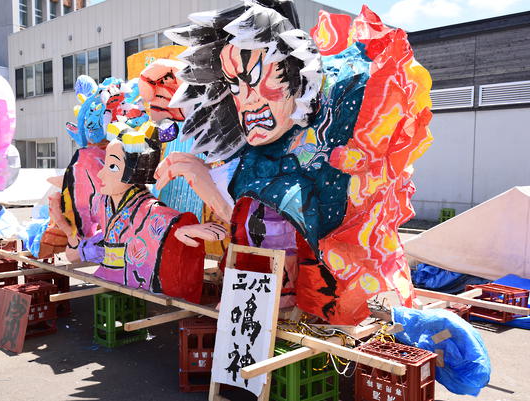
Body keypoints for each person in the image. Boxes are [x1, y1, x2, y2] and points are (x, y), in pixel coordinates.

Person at [142, 1, 433, 324]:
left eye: (255, 76)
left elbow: (317, 223)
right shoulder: (253, 156)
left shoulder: (332, 126)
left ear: (295, 71)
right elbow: (243, 221)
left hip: (321, 296)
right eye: (234, 85)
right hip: (267, 299)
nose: (247, 98)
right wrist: (199, 178)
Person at [50, 130, 226, 303]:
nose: (101, 174)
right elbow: (75, 253)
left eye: (112, 166)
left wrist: (179, 230)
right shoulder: (105, 203)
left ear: (133, 172)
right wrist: (65, 227)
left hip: (130, 277)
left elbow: (162, 218)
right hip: (110, 273)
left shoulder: (145, 207)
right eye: (105, 165)